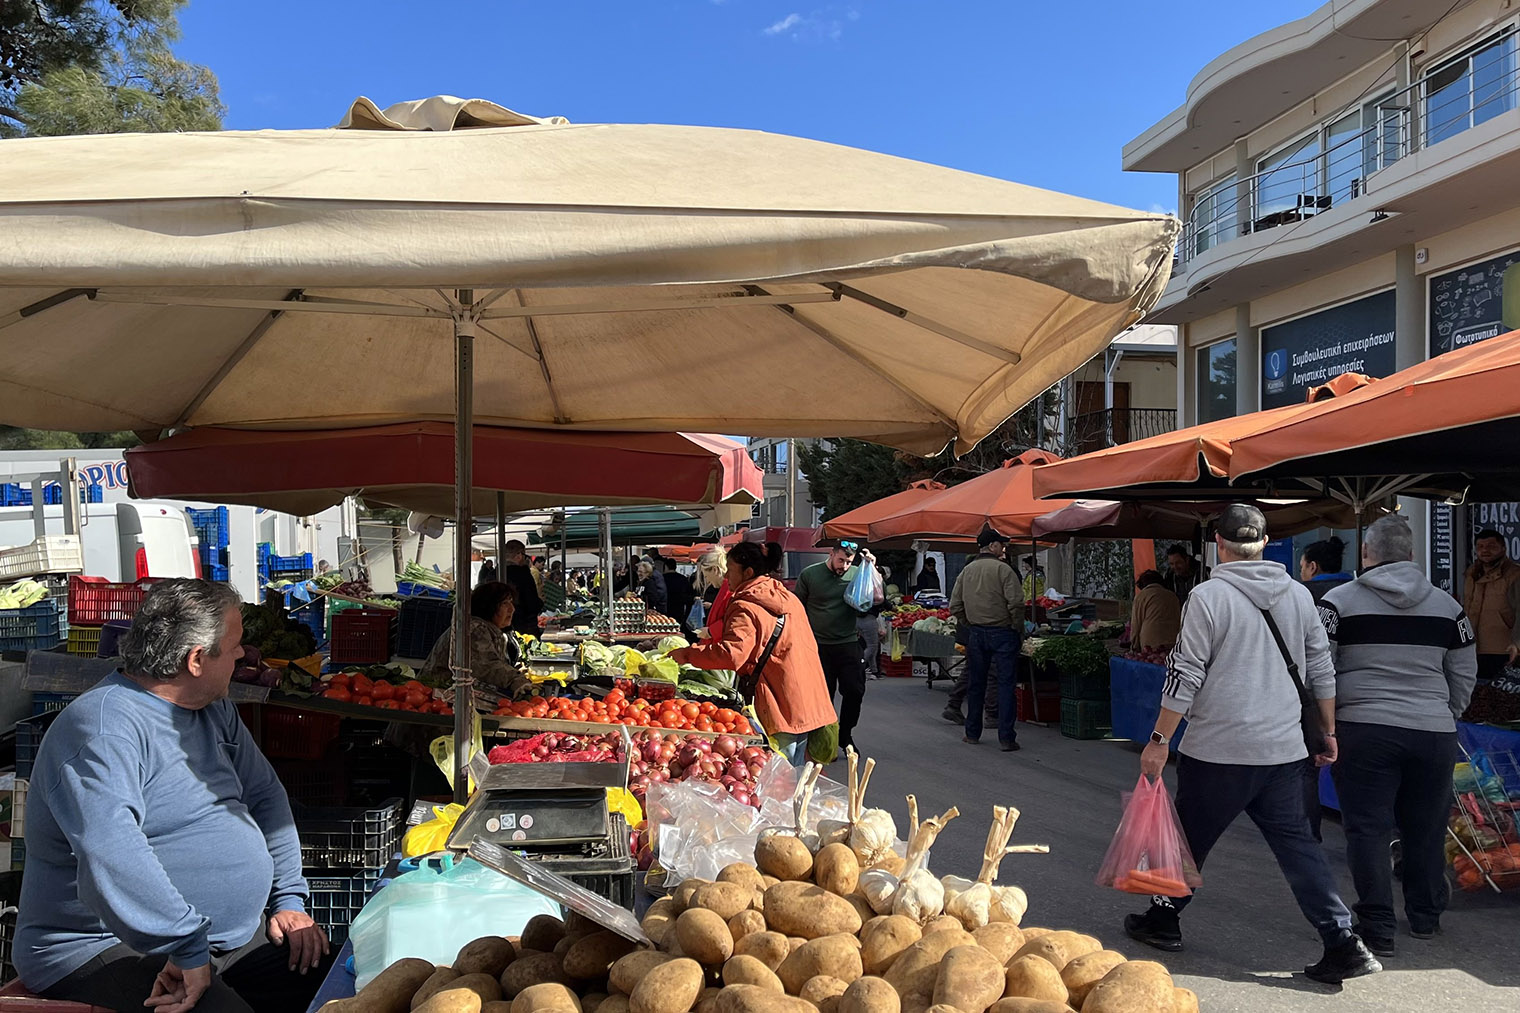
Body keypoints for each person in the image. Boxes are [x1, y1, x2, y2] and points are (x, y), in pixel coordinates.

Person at [16, 579, 332, 1012]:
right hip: (107, 944)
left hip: (222, 936)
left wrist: (288, 899)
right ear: (197, 660)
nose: (242, 655)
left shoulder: (213, 708)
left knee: (336, 980)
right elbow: (113, 852)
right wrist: (184, 944)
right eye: (235, 645)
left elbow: (265, 798)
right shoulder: (103, 728)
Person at [1125, 504, 1380, 985]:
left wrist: (1159, 739)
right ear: (1264, 544)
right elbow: (1321, 667)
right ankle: (1343, 942)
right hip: (1284, 751)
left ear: (1218, 544)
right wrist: (1327, 731)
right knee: (1299, 848)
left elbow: (1185, 674)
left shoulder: (1208, 597)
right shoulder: (1299, 595)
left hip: (1219, 750)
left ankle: (1163, 921)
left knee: (1188, 842)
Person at [1319, 516, 1477, 956]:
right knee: (1425, 828)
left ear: (1366, 554)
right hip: (1432, 732)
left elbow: (1320, 665)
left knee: (1367, 829)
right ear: (1411, 556)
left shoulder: (1337, 603)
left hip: (1364, 730)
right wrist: (1446, 713)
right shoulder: (1450, 608)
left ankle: (1378, 927)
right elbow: (1464, 670)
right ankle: (1425, 917)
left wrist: (1327, 722)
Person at [671, 542, 836, 766]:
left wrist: (688, 654)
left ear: (748, 572)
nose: (727, 575)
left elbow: (732, 654)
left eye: (730, 568)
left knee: (780, 776)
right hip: (808, 695)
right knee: (796, 774)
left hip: (780, 698)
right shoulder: (788, 598)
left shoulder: (746, 606)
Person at [948, 528, 1024, 752]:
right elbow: (1017, 604)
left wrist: (969, 623)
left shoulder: (966, 571)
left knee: (976, 684)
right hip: (1003, 633)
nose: (1004, 548)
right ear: (992, 546)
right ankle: (1006, 738)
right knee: (1005, 685)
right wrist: (1016, 626)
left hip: (976, 634)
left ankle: (972, 733)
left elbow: (955, 606)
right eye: (1001, 544)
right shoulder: (1004, 570)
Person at [796, 539, 874, 752]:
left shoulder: (858, 572)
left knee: (855, 690)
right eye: (841, 560)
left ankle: (845, 733)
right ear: (831, 554)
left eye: (849, 562)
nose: (844, 566)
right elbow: (796, 608)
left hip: (848, 643)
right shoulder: (810, 575)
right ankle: (824, 740)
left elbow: (877, 598)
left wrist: (871, 568)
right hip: (818, 646)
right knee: (823, 695)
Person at [421, 582, 534, 703]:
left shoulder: (489, 629)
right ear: (488, 606)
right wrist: (515, 680)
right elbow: (488, 667)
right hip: (438, 696)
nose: (512, 609)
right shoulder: (475, 629)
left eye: (511, 602)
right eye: (505, 603)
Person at [1463, 529, 1520, 681]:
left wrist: (1517, 643)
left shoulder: (1514, 575)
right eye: (1480, 546)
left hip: (1504, 649)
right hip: (1472, 648)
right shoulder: (1471, 574)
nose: (1485, 550)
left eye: (1491, 546)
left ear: (1503, 548)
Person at [501, 539, 544, 638]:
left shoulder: (493, 573)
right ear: (519, 555)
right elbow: (531, 602)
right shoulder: (523, 574)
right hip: (523, 627)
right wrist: (540, 603)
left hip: (499, 628)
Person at [1129, 569, 1182, 651]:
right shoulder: (1172, 596)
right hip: (1173, 641)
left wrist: (1134, 646)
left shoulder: (1142, 596)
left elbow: (1136, 623)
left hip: (1150, 643)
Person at [1300, 536, 1352, 604]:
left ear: (1313, 567)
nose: (1301, 573)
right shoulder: (1355, 589)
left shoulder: (1303, 595)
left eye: (1301, 567)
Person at [696, 546, 731, 641]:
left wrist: (710, 631)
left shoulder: (729, 589)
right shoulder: (725, 587)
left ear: (715, 570)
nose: (707, 581)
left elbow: (734, 620)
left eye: (706, 576)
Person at [662, 558, 696, 632]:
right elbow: (688, 593)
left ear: (666, 567)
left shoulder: (662, 578)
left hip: (666, 607)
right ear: (675, 567)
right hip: (679, 608)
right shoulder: (683, 579)